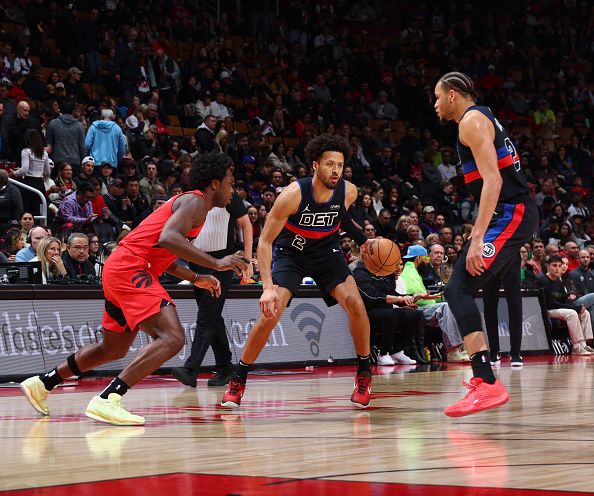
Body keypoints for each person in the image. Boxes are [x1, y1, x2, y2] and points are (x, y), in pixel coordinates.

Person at [20, 152, 248, 426]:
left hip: (123, 268)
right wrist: (216, 262)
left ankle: (44, 383)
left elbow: (162, 254)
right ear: (214, 183)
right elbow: (169, 238)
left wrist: (195, 276)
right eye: (230, 183)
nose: (232, 190)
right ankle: (108, 398)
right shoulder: (196, 201)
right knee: (172, 337)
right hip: (130, 268)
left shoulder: (193, 206)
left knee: (111, 348)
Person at [220, 134, 374, 409]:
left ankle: (363, 373)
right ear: (315, 165)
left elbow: (341, 218)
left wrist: (365, 242)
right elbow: (265, 241)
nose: (336, 170)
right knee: (271, 313)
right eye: (329, 164)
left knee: (356, 304)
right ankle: (239, 378)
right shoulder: (293, 194)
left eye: (339, 164)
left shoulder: (349, 191)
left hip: (327, 253)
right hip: (292, 253)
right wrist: (267, 287)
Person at [435, 71, 539, 417]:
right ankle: (484, 378)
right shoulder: (482, 116)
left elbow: (494, 180)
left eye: (438, 97)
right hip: (506, 214)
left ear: (453, 94)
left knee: (458, 288)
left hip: (512, 212)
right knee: (459, 288)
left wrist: (477, 237)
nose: (435, 105)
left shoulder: (471, 121)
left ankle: (487, 382)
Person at [171, 191, 254, 388]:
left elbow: (246, 224)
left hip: (222, 264)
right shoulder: (196, 197)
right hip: (197, 261)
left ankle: (191, 369)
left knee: (207, 316)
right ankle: (225, 367)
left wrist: (248, 260)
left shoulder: (229, 196)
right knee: (212, 315)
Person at [537, 255, 593, 355]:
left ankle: (584, 344)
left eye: (559, 266)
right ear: (548, 267)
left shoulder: (558, 281)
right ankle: (576, 346)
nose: (557, 268)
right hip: (546, 311)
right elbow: (551, 304)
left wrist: (577, 308)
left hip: (557, 309)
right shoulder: (543, 280)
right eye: (554, 265)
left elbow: (565, 301)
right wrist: (575, 308)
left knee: (585, 313)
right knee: (572, 313)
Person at [483, 254, 524, 368]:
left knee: (515, 304)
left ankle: (515, 353)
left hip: (510, 254)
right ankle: (494, 351)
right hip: (489, 255)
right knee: (489, 305)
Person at [11, 129, 50, 216]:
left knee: (25, 210)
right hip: (40, 184)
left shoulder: (26, 151)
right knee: (38, 211)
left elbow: (24, 169)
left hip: (28, 183)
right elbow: (47, 171)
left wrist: (14, 173)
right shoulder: (44, 153)